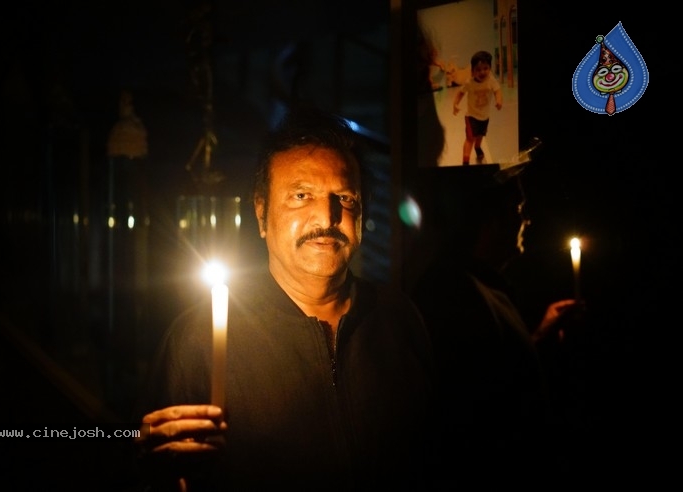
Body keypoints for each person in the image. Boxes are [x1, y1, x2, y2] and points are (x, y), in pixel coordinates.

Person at [134, 106, 437, 491]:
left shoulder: (398, 319)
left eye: (343, 197)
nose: (326, 218)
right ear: (262, 214)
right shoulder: (199, 339)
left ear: (361, 213)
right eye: (300, 195)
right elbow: (153, 465)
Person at [407, 164, 582, 487]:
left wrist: (537, 340)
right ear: (486, 218)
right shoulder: (455, 294)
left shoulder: (481, 287)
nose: (524, 220)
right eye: (516, 208)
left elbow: (496, 372)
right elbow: (478, 412)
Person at [452, 50, 503, 166]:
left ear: (490, 68)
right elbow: (460, 93)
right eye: (478, 69)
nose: (482, 72)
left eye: (485, 68)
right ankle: (465, 161)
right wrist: (455, 104)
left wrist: (499, 100)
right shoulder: (469, 83)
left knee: (480, 135)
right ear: (472, 72)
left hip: (484, 116)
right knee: (470, 138)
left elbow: (497, 91)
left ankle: (478, 147)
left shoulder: (491, 80)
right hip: (471, 116)